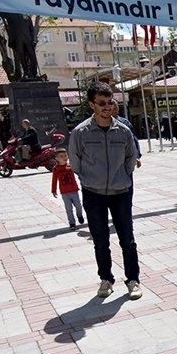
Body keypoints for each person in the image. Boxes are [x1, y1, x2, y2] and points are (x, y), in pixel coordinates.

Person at [69, 81, 143, 300]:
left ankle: (133, 280)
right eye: (101, 103)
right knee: (100, 241)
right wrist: (89, 178)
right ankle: (106, 280)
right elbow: (75, 162)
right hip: (94, 193)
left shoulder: (123, 130)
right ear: (92, 104)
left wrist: (124, 175)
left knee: (127, 239)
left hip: (121, 191)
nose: (107, 107)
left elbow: (132, 156)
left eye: (110, 102)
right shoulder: (81, 132)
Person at [50, 147, 84, 230]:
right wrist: (53, 190)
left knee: (78, 206)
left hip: (74, 190)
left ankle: (79, 215)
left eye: (65, 155)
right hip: (65, 193)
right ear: (56, 158)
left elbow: (79, 172)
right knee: (68, 208)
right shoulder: (56, 169)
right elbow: (54, 180)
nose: (65, 157)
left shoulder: (70, 166)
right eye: (61, 156)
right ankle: (72, 222)